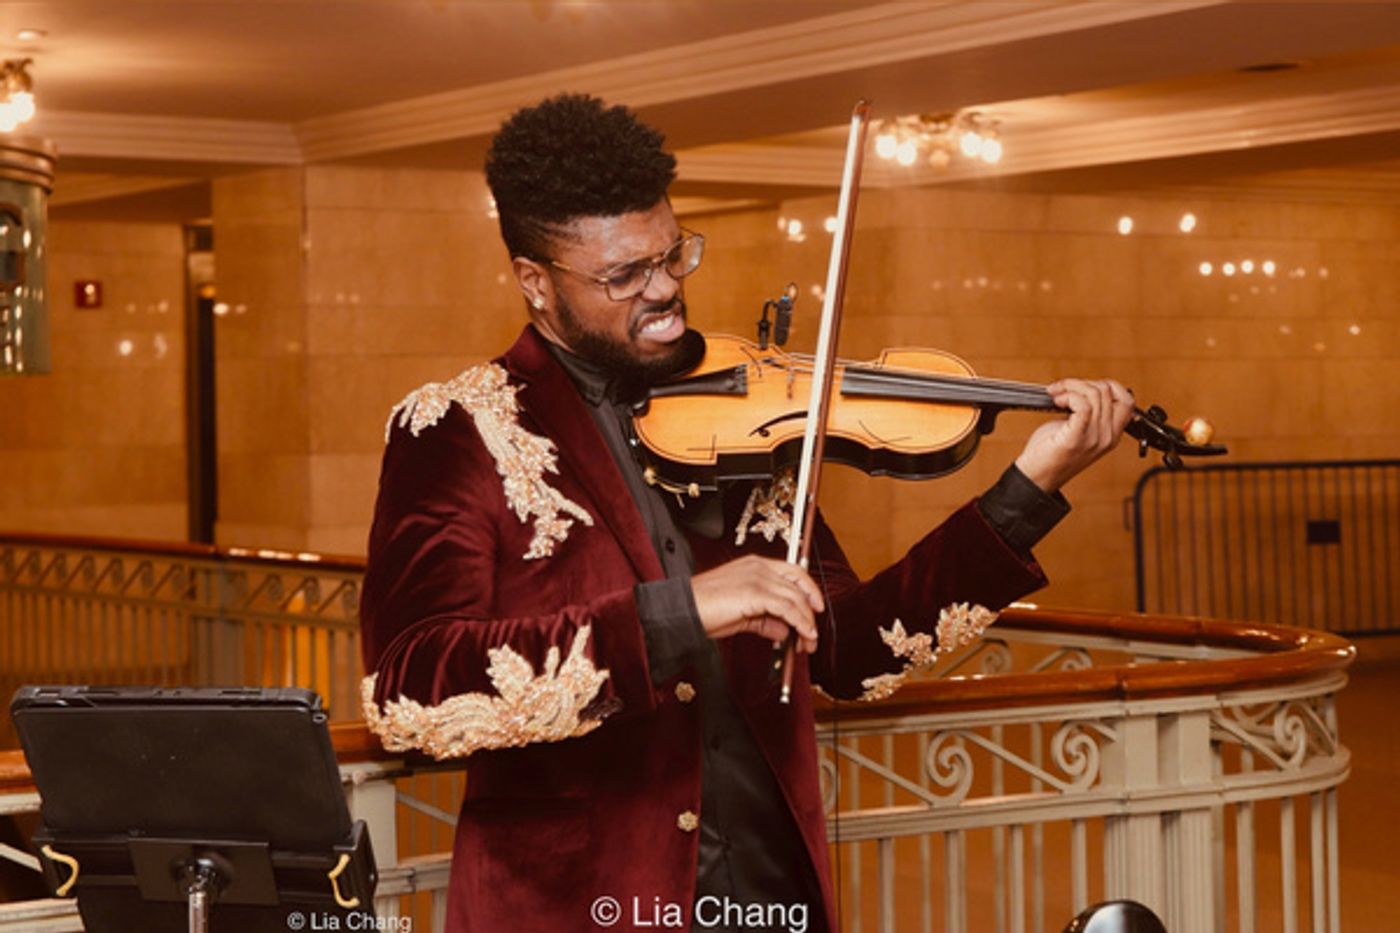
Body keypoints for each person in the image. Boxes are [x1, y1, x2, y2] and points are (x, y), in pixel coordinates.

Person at [358, 94, 1135, 933]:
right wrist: (678, 613)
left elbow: (852, 648)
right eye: (624, 275)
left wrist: (1026, 490)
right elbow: (410, 689)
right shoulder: (458, 427)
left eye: (673, 254)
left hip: (767, 895)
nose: (666, 290)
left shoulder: (743, 412)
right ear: (534, 281)